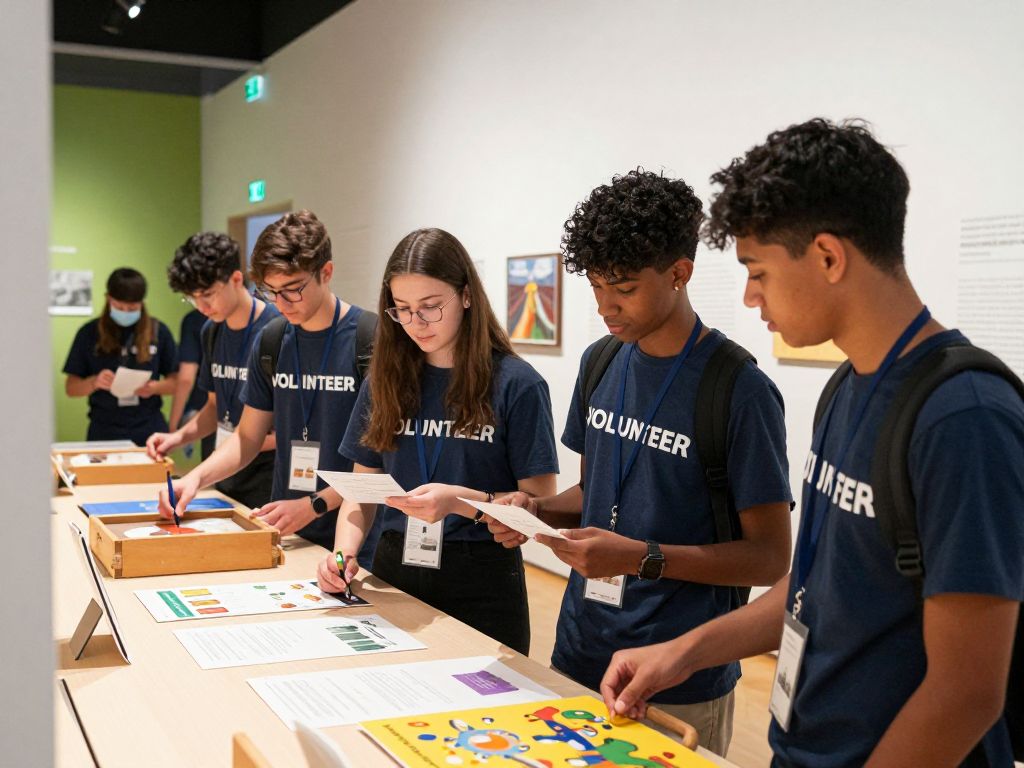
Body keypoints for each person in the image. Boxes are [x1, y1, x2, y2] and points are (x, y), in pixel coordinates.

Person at [600, 120, 1024, 767]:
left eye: (758, 271)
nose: (749, 295)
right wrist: (679, 653)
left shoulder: (965, 416)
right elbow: (814, 587)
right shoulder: (846, 386)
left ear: (827, 257)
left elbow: (967, 692)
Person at [489, 169, 793, 756]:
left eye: (623, 288)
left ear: (680, 273)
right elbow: (597, 491)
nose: (606, 306)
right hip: (579, 645)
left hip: (674, 672)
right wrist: (536, 510)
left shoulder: (739, 390)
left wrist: (638, 558)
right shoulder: (601, 361)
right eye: (597, 287)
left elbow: (768, 558)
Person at [316, 228, 559, 656]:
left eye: (430, 307)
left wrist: (461, 501)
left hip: (482, 574)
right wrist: (342, 553)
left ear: (466, 295)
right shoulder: (385, 379)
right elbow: (361, 494)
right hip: (393, 567)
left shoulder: (516, 384)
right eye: (403, 310)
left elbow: (540, 505)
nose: (417, 324)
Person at [160, 210, 378, 559]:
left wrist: (315, 505)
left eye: (293, 290)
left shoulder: (369, 339)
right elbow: (247, 438)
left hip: (356, 537)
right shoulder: (273, 339)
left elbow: (375, 464)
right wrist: (195, 478)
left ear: (326, 272)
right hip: (286, 527)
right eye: (271, 291)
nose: (281, 303)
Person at [146, 232, 279, 510]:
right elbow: (214, 407)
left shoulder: (276, 331)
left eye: (208, 295)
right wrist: (177, 437)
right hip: (225, 475)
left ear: (236, 279)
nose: (203, 307)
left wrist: (243, 442)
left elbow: (290, 428)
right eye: (193, 299)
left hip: (268, 480)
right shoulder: (211, 331)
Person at [63, 267, 179, 446]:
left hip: (148, 428)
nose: (125, 312)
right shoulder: (88, 333)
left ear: (142, 303)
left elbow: (177, 383)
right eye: (119, 306)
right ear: (108, 299)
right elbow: (71, 388)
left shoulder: (158, 332)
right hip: (104, 431)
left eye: (132, 307)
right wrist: (94, 382)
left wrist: (155, 388)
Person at [167, 308, 214, 459]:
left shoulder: (196, 320)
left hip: (211, 413)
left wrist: (173, 428)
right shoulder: (269, 316)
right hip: (258, 419)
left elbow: (186, 378)